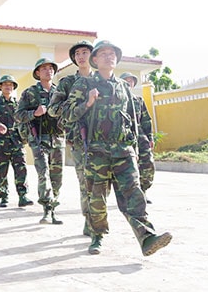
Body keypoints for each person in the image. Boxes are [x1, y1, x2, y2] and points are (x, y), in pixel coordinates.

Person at [65, 40, 171, 256]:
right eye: (103, 53)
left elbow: (133, 120)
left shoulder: (124, 87)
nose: (108, 56)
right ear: (95, 60)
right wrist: (87, 103)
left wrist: (140, 150)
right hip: (96, 150)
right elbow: (66, 114)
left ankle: (146, 237)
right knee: (96, 196)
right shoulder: (83, 85)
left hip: (124, 150)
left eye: (112, 53)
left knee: (133, 193)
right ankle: (96, 236)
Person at [48, 40, 95, 234]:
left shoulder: (102, 79)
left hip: (104, 138)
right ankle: (90, 221)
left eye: (85, 52)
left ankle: (96, 219)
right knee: (85, 181)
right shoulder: (67, 83)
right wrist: (76, 107)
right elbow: (52, 110)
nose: (81, 56)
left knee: (103, 183)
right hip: (79, 139)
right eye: (78, 54)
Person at [15, 58, 65, 224]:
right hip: (38, 138)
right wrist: (33, 113)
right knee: (43, 173)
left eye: (50, 68)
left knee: (57, 176)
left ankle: (54, 208)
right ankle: (46, 209)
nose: (48, 70)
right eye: (44, 68)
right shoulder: (30, 93)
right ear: (37, 73)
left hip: (58, 138)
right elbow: (18, 115)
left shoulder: (60, 93)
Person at [0, 75, 34, 208]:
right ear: (0, 87)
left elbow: (24, 120)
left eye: (10, 85)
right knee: (1, 171)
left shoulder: (18, 104)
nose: (8, 87)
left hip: (16, 142)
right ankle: (3, 196)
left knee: (21, 169)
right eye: (5, 84)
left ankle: (23, 196)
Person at [120, 72, 156, 204]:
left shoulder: (138, 100)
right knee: (127, 166)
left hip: (140, 135)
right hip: (124, 135)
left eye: (131, 81)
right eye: (126, 80)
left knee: (147, 163)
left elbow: (146, 120)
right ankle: (128, 194)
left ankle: (143, 191)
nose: (129, 83)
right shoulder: (117, 99)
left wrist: (149, 137)